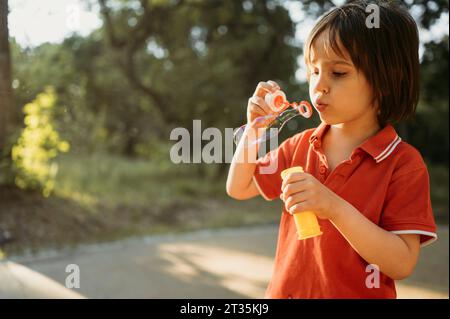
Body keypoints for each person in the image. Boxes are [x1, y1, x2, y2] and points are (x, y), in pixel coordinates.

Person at [226, 0, 438, 298]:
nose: (319, 86)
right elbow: (239, 186)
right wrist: (254, 130)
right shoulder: (300, 145)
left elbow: (401, 263)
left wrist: (334, 208)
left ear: (385, 81)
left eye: (338, 73)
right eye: (313, 71)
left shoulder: (403, 164)